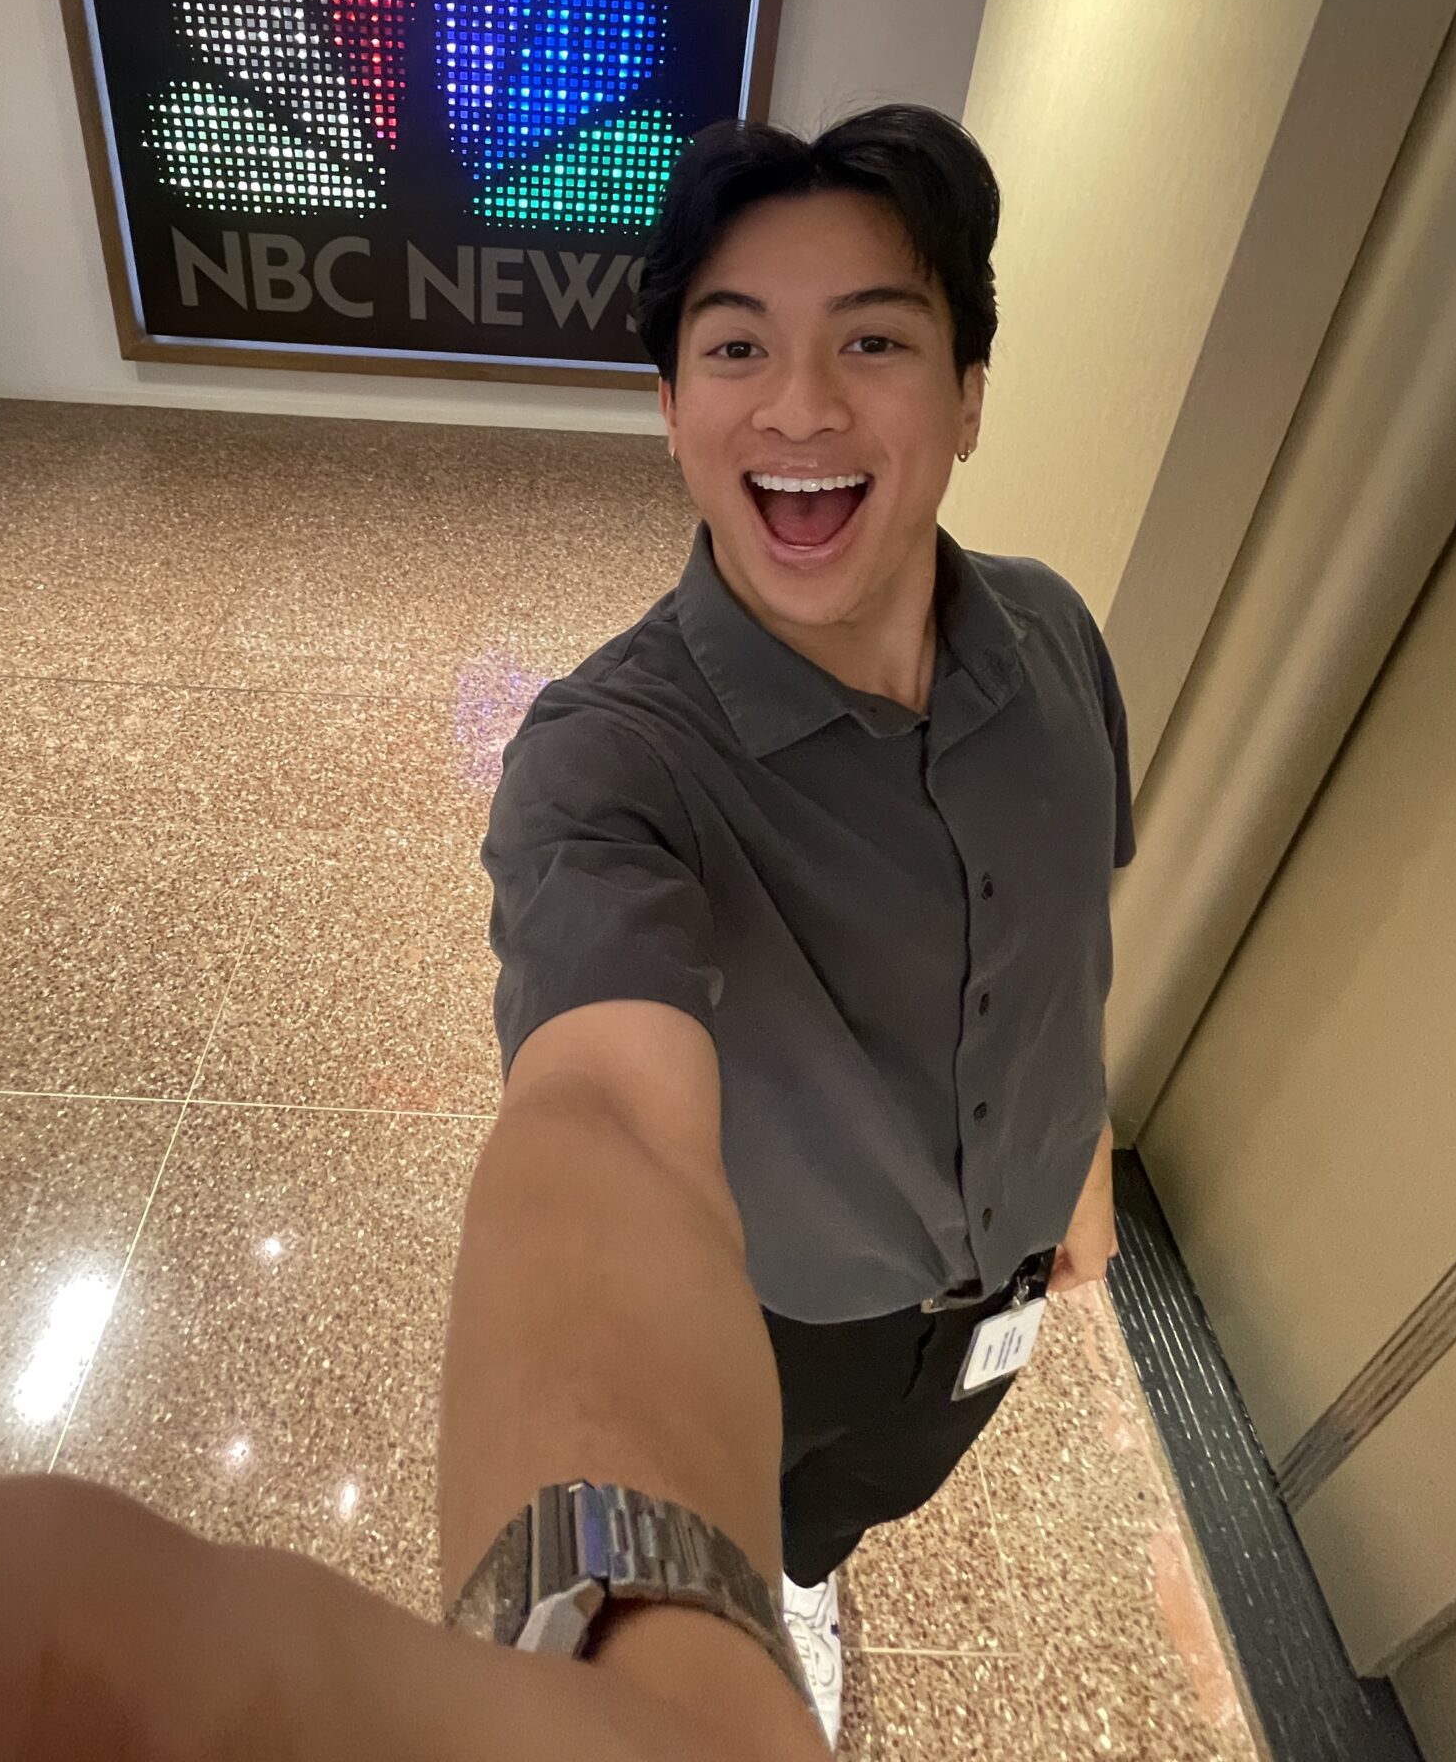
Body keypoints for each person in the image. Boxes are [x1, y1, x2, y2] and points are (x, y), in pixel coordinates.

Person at [438, 105, 1133, 1747]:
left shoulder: (1052, 633)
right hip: (766, 1310)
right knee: (750, 1495)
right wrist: (582, 1640)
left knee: (860, 1501)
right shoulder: (607, 760)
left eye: (875, 340)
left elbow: (1072, 923)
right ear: (671, 408)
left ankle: (806, 1575)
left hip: (1004, 1279)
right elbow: (595, 1122)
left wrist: (1080, 1150)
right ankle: (762, 1587)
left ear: (966, 400)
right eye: (736, 345)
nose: (802, 405)